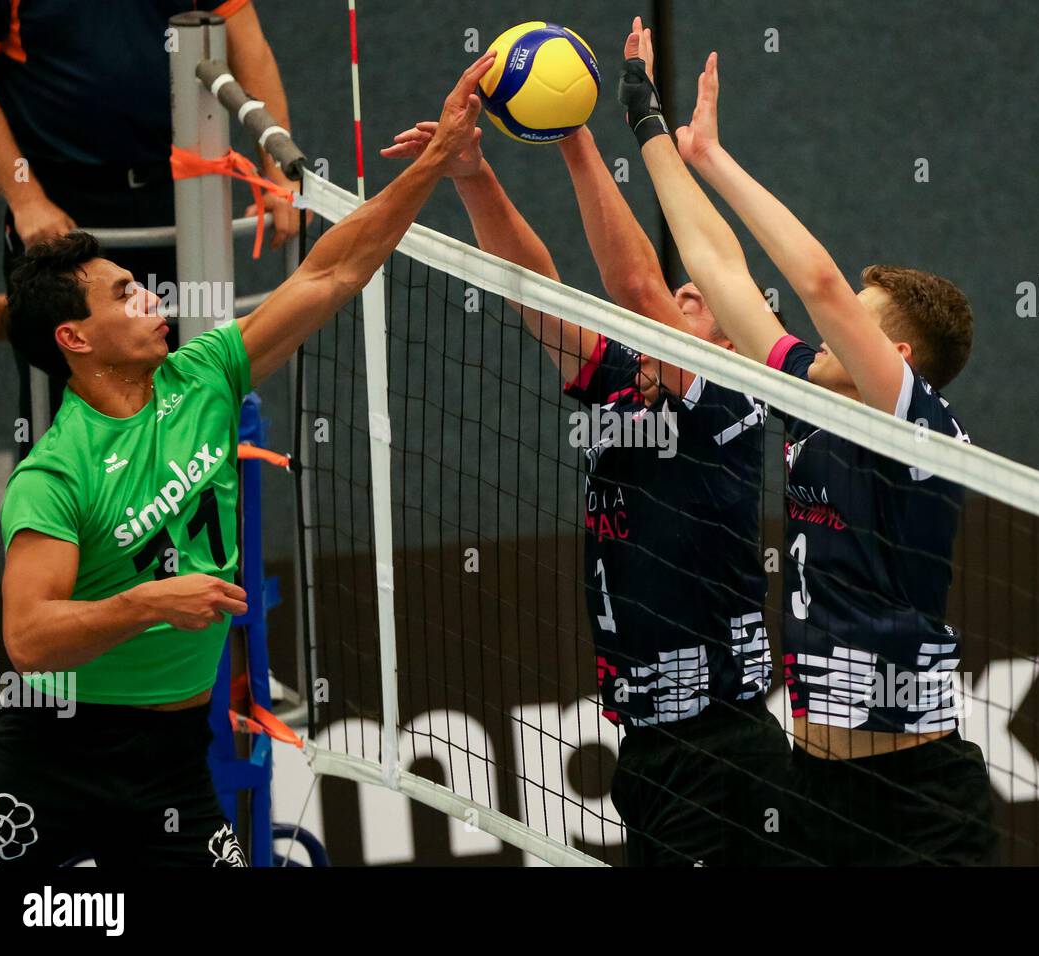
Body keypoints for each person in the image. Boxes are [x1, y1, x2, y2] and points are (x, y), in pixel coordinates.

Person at [0, 52, 494, 868]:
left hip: (173, 761)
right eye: (122, 294)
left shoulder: (204, 374)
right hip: (55, 757)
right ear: (73, 340)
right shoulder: (56, 471)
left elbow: (335, 270)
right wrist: (148, 602)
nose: (150, 294)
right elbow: (30, 639)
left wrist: (437, 158)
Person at [618, 18, 996, 864]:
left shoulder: (917, 423)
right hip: (814, 793)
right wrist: (652, 131)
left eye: (849, 331)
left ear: (893, 358)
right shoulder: (816, 397)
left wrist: (720, 161)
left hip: (920, 800)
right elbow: (719, 269)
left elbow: (818, 280)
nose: (822, 337)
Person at [384, 96, 794, 868]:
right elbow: (534, 285)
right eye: (684, 292)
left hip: (723, 745)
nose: (684, 295)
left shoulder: (733, 405)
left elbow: (637, 285)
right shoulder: (615, 383)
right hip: (650, 749)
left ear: (733, 342)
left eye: (701, 301)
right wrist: (472, 175)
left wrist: (571, 131)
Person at [0, 0, 301, 447]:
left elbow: (250, 47)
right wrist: (26, 198)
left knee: (194, 401)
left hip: (181, 202)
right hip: (60, 217)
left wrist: (277, 171)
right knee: (63, 416)